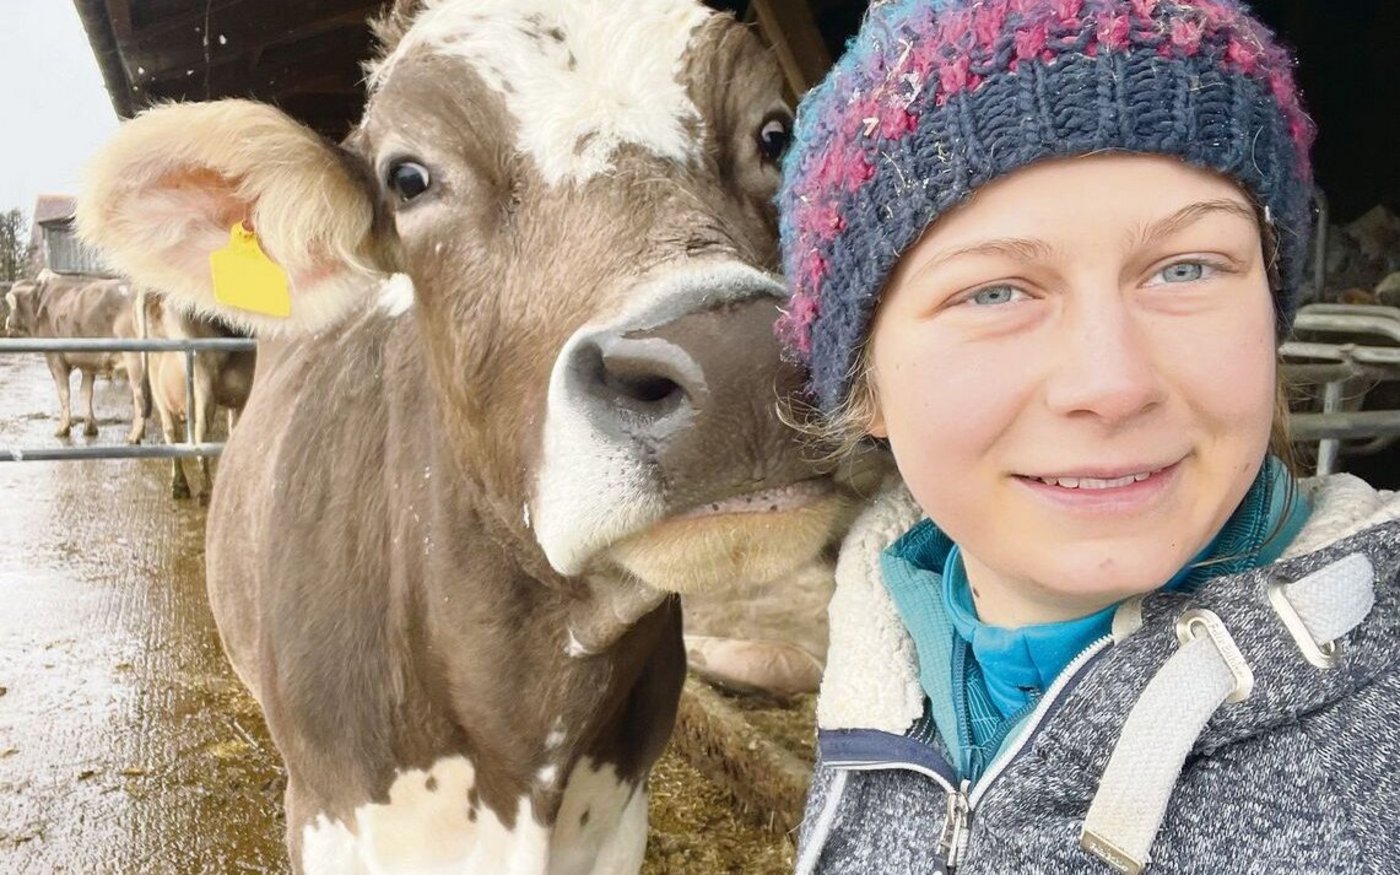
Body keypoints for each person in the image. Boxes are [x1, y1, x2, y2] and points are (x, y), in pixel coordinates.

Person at [775, 1, 1400, 872]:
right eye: (995, 292)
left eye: (1186, 268)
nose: (1112, 384)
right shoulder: (879, 672)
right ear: (864, 380)